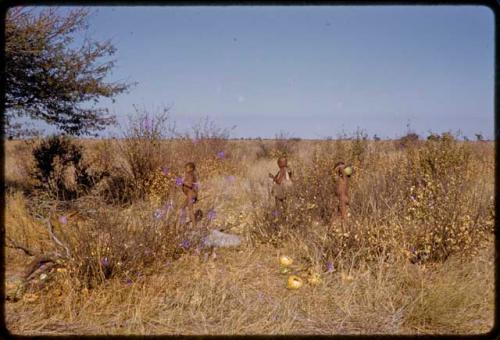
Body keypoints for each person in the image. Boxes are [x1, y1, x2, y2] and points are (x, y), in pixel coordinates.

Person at [177, 162, 200, 229]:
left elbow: (190, 185)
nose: (185, 169)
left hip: (190, 193)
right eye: (185, 167)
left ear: (191, 169)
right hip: (191, 194)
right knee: (182, 208)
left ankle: (194, 227)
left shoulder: (190, 174)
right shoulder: (191, 175)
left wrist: (182, 181)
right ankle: (180, 226)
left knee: (189, 209)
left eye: (187, 168)